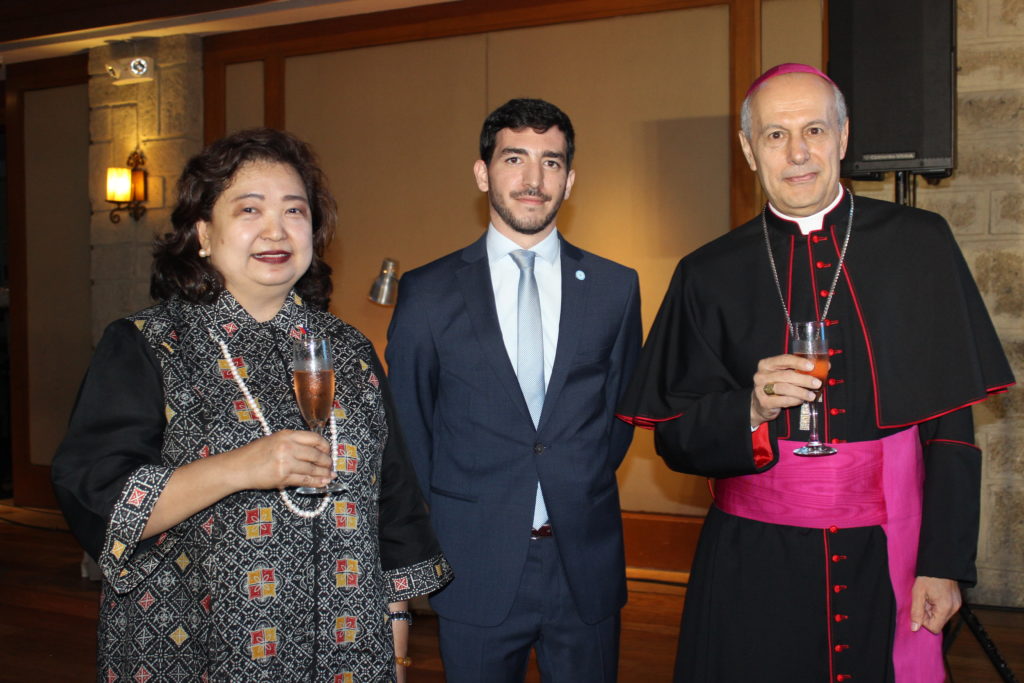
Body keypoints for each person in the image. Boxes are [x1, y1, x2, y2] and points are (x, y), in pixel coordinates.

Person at [618, 64, 1015, 682]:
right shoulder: (707, 273)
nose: (798, 152)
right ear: (750, 150)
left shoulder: (920, 245)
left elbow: (952, 431)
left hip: (888, 553)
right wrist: (747, 409)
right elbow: (673, 435)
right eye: (775, 135)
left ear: (844, 136)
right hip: (754, 562)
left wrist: (943, 563)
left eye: (814, 130)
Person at [52, 128, 452, 682]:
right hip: (194, 650)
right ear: (203, 234)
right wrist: (243, 467)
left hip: (345, 654)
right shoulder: (149, 344)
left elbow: (394, 512)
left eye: (294, 210)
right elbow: (97, 496)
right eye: (249, 209)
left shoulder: (350, 351)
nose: (275, 229)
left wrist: (398, 654)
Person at [386, 98, 642, 682]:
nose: (533, 179)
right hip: (474, 564)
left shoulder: (615, 288)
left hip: (585, 562)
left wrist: (575, 481)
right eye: (515, 159)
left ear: (570, 180)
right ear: (483, 173)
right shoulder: (427, 293)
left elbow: (622, 412)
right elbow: (410, 427)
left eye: (551, 163)